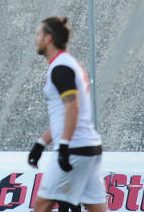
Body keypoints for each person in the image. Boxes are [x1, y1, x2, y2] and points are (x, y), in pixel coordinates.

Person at [27, 17, 104, 212]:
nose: (36, 39)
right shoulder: (66, 64)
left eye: (39, 34)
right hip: (88, 147)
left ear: (48, 38)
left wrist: (63, 145)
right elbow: (64, 115)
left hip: (75, 148)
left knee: (42, 204)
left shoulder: (60, 68)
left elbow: (72, 108)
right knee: (97, 209)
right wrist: (41, 143)